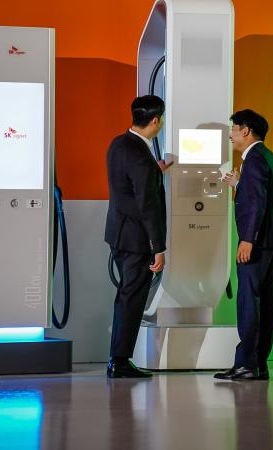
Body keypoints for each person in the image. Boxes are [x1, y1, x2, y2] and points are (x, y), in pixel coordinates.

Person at [104, 95, 171, 378]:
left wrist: (155, 172)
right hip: (137, 240)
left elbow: (128, 183)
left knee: (126, 296)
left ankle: (117, 358)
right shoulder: (141, 156)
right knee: (132, 299)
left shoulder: (119, 144)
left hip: (119, 234)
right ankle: (119, 361)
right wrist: (158, 247)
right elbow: (147, 205)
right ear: (156, 121)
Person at [215, 109, 273, 381]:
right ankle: (259, 363)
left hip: (257, 241)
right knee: (265, 303)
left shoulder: (253, 159)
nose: (231, 135)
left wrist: (247, 239)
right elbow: (260, 194)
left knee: (248, 302)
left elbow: (256, 203)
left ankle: (245, 364)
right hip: (271, 240)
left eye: (233, 129)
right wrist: (238, 183)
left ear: (246, 131)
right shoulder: (267, 157)